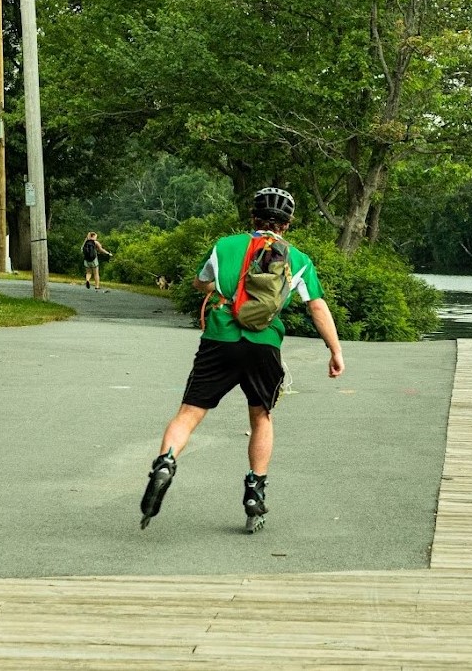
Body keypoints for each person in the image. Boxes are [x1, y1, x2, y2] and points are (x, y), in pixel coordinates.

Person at [139, 186, 345, 533]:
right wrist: (335, 351)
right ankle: (254, 493)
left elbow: (199, 282)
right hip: (264, 344)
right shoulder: (299, 259)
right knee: (261, 416)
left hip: (220, 338)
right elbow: (316, 306)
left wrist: (220, 290)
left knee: (189, 413)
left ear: (252, 218)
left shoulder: (224, 246)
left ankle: (165, 463)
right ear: (287, 225)